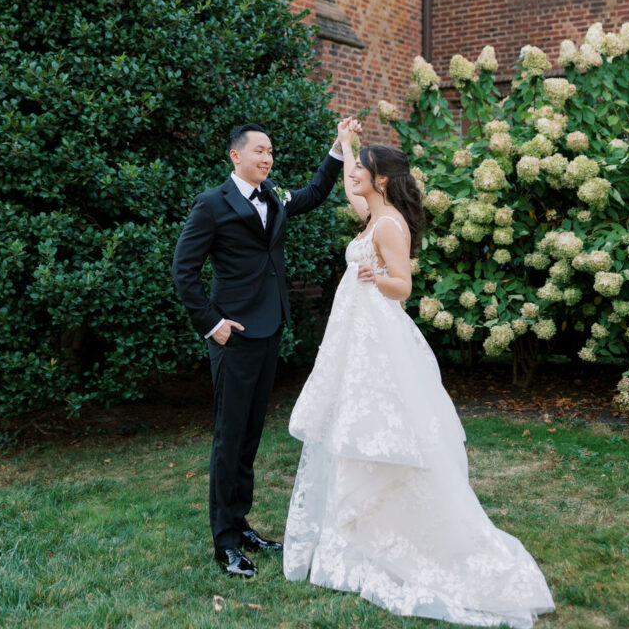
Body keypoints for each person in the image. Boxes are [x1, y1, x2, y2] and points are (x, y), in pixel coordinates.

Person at [283, 128, 555, 628]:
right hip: (359, 337)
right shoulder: (371, 213)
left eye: (364, 167)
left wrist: (374, 278)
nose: (356, 175)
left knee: (383, 425)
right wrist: (344, 146)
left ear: (382, 179)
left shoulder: (389, 226)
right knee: (352, 424)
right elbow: (349, 189)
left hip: (378, 338)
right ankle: (360, 528)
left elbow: (403, 286)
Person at [173, 119, 357, 579]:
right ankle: (225, 543)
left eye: (270, 152)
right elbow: (183, 270)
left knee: (250, 436)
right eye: (259, 151)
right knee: (228, 438)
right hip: (233, 337)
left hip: (270, 329)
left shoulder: (273, 195)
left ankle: (242, 524)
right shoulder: (212, 204)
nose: (267, 158)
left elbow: (313, 194)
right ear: (236, 156)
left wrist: (338, 148)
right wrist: (211, 323)